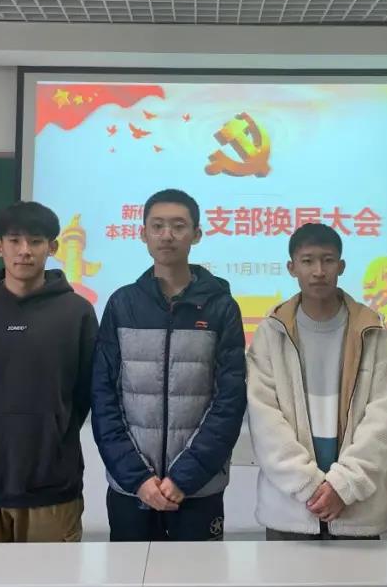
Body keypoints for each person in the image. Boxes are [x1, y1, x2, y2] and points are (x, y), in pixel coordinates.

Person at [91, 188, 246, 541]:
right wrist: (138, 478)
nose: (167, 235)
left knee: (197, 571)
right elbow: (103, 397)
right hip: (132, 490)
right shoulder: (122, 305)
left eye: (178, 226)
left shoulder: (221, 307)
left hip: (198, 489)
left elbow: (229, 401)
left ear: (197, 234)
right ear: (143, 233)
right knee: (128, 571)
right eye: (157, 226)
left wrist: (184, 478)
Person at [0, 201, 97, 543]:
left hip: (52, 483)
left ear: (53, 248)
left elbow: (83, 393)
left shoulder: (77, 312)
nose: (25, 251)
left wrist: (52, 428)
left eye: (36, 241)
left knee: (52, 571)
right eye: (14, 240)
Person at [247, 223, 387, 540]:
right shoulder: (271, 331)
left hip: (356, 508)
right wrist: (309, 485)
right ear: (292, 267)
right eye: (307, 261)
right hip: (290, 508)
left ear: (341, 266)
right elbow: (265, 420)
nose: (318, 271)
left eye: (328, 260)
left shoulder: (372, 330)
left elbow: (383, 418)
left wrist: (343, 486)